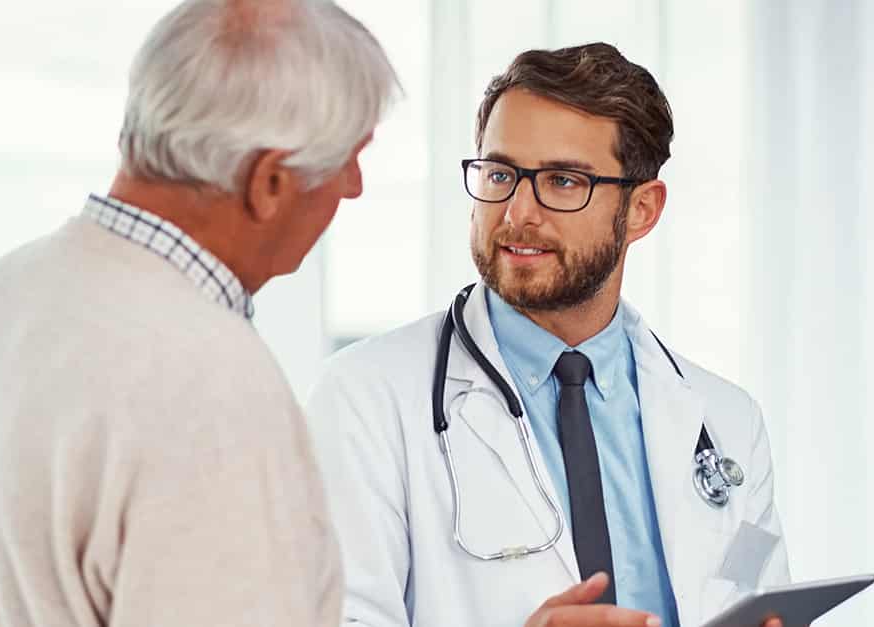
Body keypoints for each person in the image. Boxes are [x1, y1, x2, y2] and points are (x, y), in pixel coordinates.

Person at [306, 43, 790, 627]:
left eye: (562, 181)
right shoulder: (367, 399)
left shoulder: (728, 420)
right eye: (500, 173)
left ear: (641, 210)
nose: (517, 213)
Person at [0, 1, 398, 625]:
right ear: (269, 184)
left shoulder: (9, 288)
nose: (355, 186)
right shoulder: (212, 384)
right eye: (350, 157)